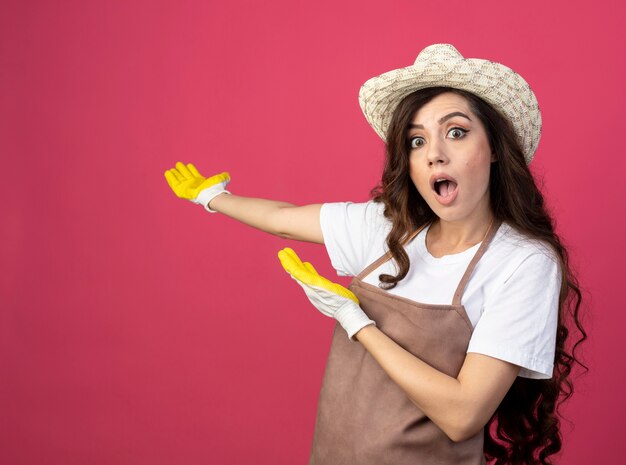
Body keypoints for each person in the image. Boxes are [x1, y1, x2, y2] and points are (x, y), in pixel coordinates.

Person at [164, 44, 586, 465]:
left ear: (495, 146)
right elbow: (283, 218)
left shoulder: (523, 262)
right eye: (417, 140)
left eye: (456, 132)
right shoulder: (389, 228)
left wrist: (357, 323)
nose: (435, 153)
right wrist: (212, 197)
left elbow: (463, 415)